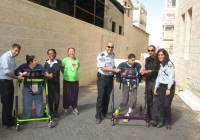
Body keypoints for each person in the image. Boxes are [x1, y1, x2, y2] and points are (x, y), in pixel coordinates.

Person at [95, 42, 120, 124]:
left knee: (107, 96)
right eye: (109, 46)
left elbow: (112, 66)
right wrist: (114, 70)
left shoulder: (113, 55)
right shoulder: (101, 55)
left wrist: (117, 70)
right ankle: (98, 116)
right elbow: (103, 68)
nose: (110, 48)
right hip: (102, 78)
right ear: (106, 47)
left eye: (112, 47)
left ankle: (104, 113)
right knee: (101, 97)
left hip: (110, 78)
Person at [0, 43, 23, 128]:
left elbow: (13, 71)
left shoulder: (13, 58)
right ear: (12, 49)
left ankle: (9, 119)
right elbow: (7, 73)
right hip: (3, 81)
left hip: (9, 81)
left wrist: (19, 73)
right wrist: (17, 77)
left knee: (10, 101)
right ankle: (6, 123)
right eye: (16, 50)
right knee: (6, 102)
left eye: (18, 51)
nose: (17, 53)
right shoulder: (6, 57)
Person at [114, 53, 141, 122]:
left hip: (134, 84)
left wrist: (142, 71)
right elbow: (117, 71)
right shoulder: (122, 64)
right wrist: (120, 73)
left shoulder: (137, 65)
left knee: (133, 99)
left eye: (134, 60)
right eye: (132, 60)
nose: (133, 61)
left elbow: (141, 71)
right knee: (125, 99)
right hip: (126, 83)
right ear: (128, 59)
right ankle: (118, 109)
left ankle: (128, 113)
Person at [154, 49, 175, 130]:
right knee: (161, 105)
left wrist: (168, 88)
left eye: (162, 55)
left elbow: (171, 77)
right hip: (161, 87)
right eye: (159, 55)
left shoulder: (169, 64)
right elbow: (159, 78)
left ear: (165, 55)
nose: (160, 56)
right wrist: (156, 87)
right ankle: (161, 121)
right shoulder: (160, 65)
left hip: (168, 87)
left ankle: (168, 122)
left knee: (166, 105)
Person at [140, 45, 160, 126]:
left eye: (152, 50)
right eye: (149, 50)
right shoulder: (147, 59)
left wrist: (147, 71)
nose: (150, 52)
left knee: (155, 101)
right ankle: (148, 117)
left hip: (156, 82)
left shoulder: (158, 59)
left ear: (155, 50)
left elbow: (157, 70)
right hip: (148, 82)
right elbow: (145, 68)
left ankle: (154, 119)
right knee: (148, 100)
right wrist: (143, 70)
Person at [62, 47, 80, 115]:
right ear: (68, 52)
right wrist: (66, 74)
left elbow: (77, 68)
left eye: (73, 51)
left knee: (75, 94)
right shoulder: (65, 60)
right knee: (66, 94)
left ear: (74, 52)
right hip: (67, 80)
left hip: (75, 80)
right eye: (70, 51)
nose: (71, 52)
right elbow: (62, 67)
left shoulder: (77, 60)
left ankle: (74, 108)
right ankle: (65, 108)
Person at [44, 49, 62, 118]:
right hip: (48, 83)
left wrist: (51, 74)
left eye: (52, 53)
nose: (51, 54)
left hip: (55, 83)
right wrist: (46, 74)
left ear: (55, 54)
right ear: (48, 54)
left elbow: (57, 70)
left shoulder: (58, 62)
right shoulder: (46, 62)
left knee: (57, 98)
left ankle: (56, 111)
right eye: (49, 53)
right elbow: (44, 70)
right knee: (49, 98)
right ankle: (51, 111)